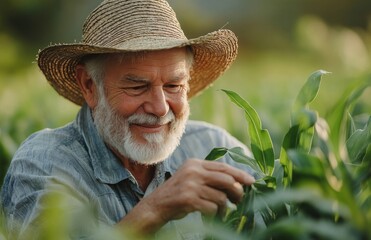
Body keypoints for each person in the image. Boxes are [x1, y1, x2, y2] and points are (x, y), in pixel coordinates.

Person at [1, 0, 259, 239]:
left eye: (173, 86)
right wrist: (155, 210)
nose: (159, 108)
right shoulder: (45, 165)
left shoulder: (215, 148)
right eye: (137, 87)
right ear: (89, 86)